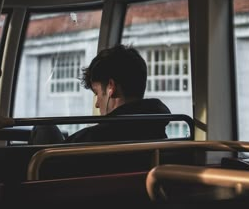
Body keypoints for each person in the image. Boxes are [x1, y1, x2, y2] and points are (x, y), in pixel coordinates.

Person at [29, 44, 171, 144]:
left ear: (111, 88)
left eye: (97, 93)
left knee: (44, 128)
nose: (97, 103)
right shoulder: (161, 136)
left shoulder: (92, 140)